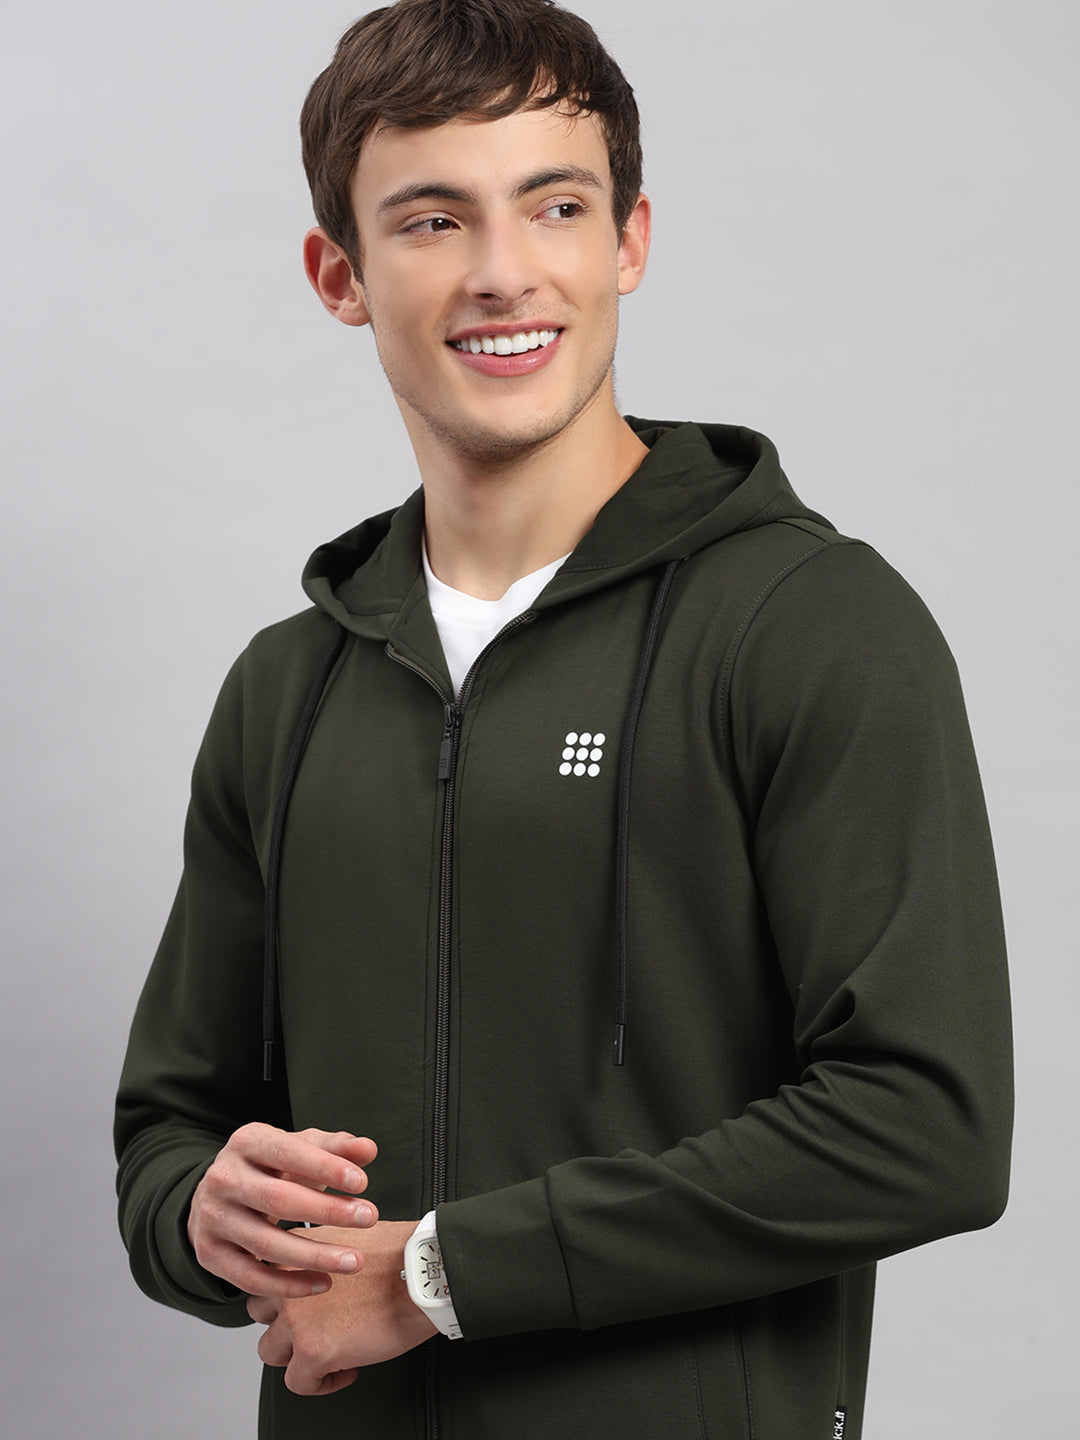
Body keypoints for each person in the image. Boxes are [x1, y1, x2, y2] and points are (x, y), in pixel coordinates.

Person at [114, 1, 1013, 1436]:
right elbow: (168, 1127)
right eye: (431, 221)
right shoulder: (288, 688)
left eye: (556, 206)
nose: (503, 271)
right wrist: (195, 1214)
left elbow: (927, 1128)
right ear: (340, 275)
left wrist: (439, 1276)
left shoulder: (810, 626)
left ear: (628, 241)